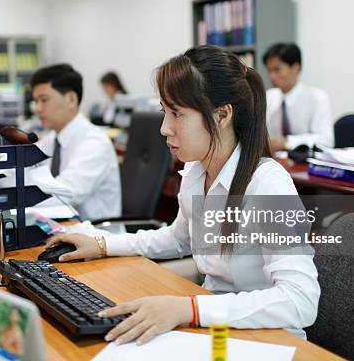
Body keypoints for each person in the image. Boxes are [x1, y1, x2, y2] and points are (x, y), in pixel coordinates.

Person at [45, 46, 320, 345]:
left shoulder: (267, 184)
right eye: (165, 112)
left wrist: (189, 308)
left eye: (177, 114)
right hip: (216, 328)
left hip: (266, 338)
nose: (165, 129)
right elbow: (178, 238)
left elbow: (300, 301)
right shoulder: (196, 170)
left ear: (222, 115)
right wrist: (100, 244)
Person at [30, 64, 121, 220]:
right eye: (35, 101)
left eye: (44, 100)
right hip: (63, 229)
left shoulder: (94, 142)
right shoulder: (52, 139)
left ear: (71, 99)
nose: (37, 108)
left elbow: (63, 193)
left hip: (97, 236)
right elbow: (20, 168)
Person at [263, 43, 333, 151]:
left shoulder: (318, 98)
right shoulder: (268, 97)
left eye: (277, 70)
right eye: (269, 70)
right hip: (275, 161)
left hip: (305, 161)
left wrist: (287, 142)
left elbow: (326, 140)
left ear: (295, 68)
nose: (271, 76)